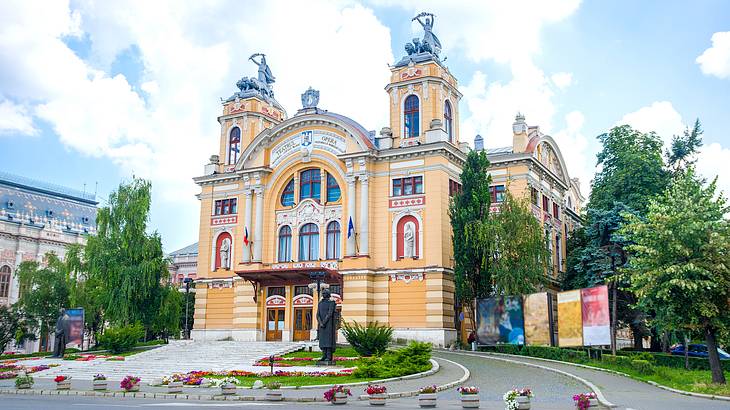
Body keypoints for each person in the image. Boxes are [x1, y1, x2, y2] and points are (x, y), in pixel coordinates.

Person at [316, 288, 337, 362]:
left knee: (328, 340)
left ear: (328, 294)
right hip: (322, 325)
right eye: (323, 293)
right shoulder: (320, 303)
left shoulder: (331, 302)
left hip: (329, 324)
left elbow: (330, 313)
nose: (323, 294)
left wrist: (324, 322)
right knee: (322, 341)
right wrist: (320, 323)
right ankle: (324, 356)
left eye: (325, 293)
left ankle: (329, 356)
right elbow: (317, 314)